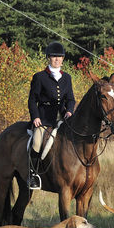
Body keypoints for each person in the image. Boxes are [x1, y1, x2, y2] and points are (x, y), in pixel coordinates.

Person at [27, 41, 75, 189]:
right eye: (54, 57)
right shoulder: (39, 77)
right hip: (43, 119)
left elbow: (71, 99)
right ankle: (33, 175)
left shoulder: (67, 77)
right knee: (36, 142)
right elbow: (32, 100)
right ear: (49, 58)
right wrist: (35, 117)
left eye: (60, 57)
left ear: (63, 59)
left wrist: (69, 111)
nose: (57, 59)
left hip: (61, 118)